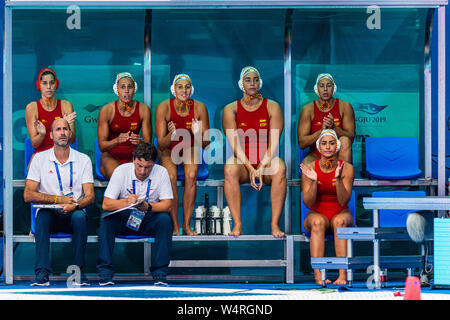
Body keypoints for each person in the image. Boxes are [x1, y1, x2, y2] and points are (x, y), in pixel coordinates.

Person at [23, 118, 95, 286]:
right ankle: (42, 273)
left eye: (65, 129)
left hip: (73, 210)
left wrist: (74, 205)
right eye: (58, 129)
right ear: (51, 135)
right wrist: (57, 199)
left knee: (79, 217)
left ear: (70, 133)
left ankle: (78, 273)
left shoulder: (83, 159)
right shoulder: (39, 159)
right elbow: (28, 195)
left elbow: (90, 196)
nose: (62, 132)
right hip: (50, 211)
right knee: (42, 217)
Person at [97, 142, 173, 286]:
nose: (143, 171)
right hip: (124, 216)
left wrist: (147, 207)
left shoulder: (161, 172)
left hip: (148, 217)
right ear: (133, 160)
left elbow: (168, 205)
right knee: (106, 220)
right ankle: (105, 274)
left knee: (164, 220)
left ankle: (160, 274)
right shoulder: (121, 171)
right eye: (139, 166)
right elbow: (106, 204)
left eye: (147, 167)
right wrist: (126, 202)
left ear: (154, 163)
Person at [222, 66, 286, 238]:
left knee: (280, 167)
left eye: (256, 79)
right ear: (241, 84)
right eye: (248, 80)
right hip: (244, 164)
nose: (252, 83)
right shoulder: (230, 109)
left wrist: (260, 167)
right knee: (229, 168)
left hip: (267, 162)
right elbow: (234, 144)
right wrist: (251, 169)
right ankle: (238, 224)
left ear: (260, 83)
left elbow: (274, 143)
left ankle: (274, 224)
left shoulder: (272, 107)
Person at [155, 74, 210, 236]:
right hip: (168, 148)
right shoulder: (163, 108)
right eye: (180, 87)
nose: (184, 90)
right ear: (174, 90)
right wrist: (171, 135)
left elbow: (205, 145)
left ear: (191, 90)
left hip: (190, 146)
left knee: (191, 175)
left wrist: (198, 133)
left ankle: (186, 226)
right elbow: (161, 144)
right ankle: (174, 225)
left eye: (187, 87)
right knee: (170, 178)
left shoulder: (200, 108)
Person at [300, 129, 354, 285]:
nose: (328, 147)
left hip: (340, 211)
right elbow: (308, 203)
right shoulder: (309, 168)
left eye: (332, 143)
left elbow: (344, 201)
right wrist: (315, 181)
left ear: (337, 146)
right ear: (319, 147)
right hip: (317, 212)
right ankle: (318, 276)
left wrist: (337, 179)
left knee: (340, 223)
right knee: (317, 223)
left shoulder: (347, 168)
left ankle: (342, 275)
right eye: (324, 143)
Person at [97, 72, 152, 179]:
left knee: (136, 176)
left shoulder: (143, 110)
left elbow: (148, 145)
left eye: (130, 87)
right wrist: (117, 140)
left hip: (135, 155)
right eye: (122, 87)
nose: (126, 91)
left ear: (134, 89)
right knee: (118, 177)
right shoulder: (107, 110)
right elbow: (102, 146)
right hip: (111, 156)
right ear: (116, 90)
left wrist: (140, 142)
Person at [297, 73, 355, 165]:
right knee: (306, 169)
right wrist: (322, 130)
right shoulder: (308, 110)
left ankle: (343, 176)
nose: (325, 89)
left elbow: (351, 138)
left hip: (338, 153)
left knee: (345, 140)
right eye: (321, 86)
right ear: (316, 89)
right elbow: (302, 143)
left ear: (334, 88)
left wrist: (334, 127)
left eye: (328, 86)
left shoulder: (344, 106)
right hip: (316, 154)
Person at [25, 67, 77, 153]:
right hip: (41, 157)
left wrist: (65, 127)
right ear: (39, 85)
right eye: (44, 83)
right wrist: (42, 134)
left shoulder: (66, 105)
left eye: (52, 83)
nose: (48, 87)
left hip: (62, 155)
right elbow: (34, 144)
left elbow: (72, 141)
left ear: (56, 84)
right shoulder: (32, 108)